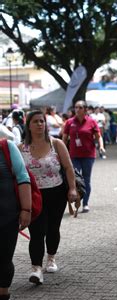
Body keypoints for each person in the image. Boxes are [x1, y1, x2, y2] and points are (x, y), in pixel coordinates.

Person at [19, 110, 77, 285]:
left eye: (42, 121)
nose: (40, 124)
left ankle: (50, 258)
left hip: (56, 193)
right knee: (37, 232)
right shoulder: (21, 148)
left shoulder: (56, 144)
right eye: (36, 121)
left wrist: (72, 189)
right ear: (28, 125)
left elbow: (68, 168)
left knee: (53, 228)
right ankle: (36, 268)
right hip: (33, 196)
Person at [0, 140, 31, 300]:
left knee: (4, 258)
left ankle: (3, 295)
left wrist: (26, 209)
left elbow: (22, 177)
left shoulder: (7, 147)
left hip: (7, 216)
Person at [62, 100, 105, 213]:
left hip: (88, 155)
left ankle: (85, 203)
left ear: (85, 109)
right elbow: (64, 138)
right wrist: (61, 150)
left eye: (80, 107)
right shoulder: (69, 122)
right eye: (76, 107)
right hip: (74, 155)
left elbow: (98, 136)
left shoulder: (92, 122)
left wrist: (101, 146)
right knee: (75, 179)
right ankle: (77, 200)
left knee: (86, 179)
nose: (77, 109)